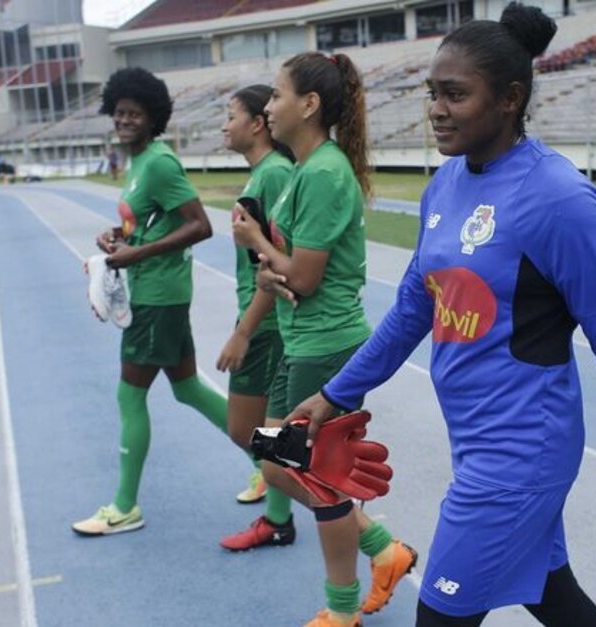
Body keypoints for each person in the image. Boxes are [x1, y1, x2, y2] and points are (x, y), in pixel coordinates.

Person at [291, 4, 596, 626]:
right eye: (432, 94)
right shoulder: (444, 186)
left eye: (455, 94)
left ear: (509, 100)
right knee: (552, 595)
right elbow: (412, 309)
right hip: (476, 442)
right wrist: (336, 395)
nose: (437, 109)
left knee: (441, 616)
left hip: (523, 452)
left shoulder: (560, 199)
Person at [226, 52, 416, 627]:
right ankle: (383, 549)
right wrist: (268, 268)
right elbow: (288, 270)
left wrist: (258, 240)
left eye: (277, 95)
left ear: (308, 105)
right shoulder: (307, 170)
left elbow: (304, 278)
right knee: (277, 457)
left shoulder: (325, 172)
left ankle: (343, 609)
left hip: (325, 342)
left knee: (310, 472)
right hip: (302, 339)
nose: (268, 106)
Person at [72, 67, 230, 536]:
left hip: (158, 298)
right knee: (188, 390)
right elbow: (149, 221)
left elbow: (199, 224)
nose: (124, 120)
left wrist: (136, 252)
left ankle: (124, 506)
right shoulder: (137, 162)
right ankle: (267, 460)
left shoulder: (159, 163)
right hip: (157, 292)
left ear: (153, 117)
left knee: (129, 393)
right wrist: (117, 236)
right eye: (119, 112)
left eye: (135, 114)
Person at [216, 85, 293, 504]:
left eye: (231, 116)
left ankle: (353, 521)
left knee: (250, 432)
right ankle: (281, 514)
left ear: (258, 123)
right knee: (265, 434)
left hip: (266, 321)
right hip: (257, 317)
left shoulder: (275, 174)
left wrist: (244, 331)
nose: (225, 126)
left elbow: (277, 266)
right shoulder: (263, 174)